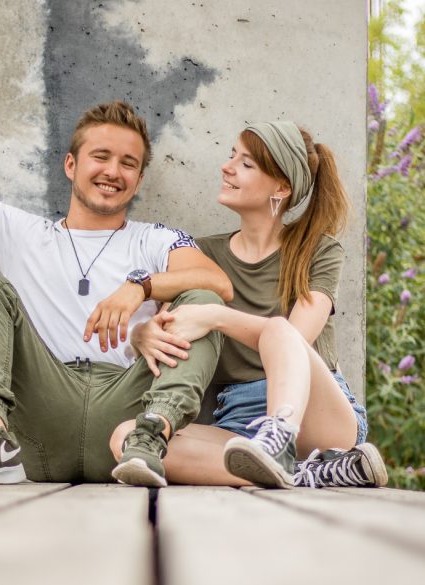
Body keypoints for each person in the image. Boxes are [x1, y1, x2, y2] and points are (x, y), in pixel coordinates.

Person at [0, 24, 232, 487]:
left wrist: (137, 287)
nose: (112, 172)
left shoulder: (155, 240)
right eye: (101, 156)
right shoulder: (20, 232)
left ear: (138, 180)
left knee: (202, 300)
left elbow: (217, 283)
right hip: (42, 415)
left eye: (128, 164)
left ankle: (154, 432)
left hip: (125, 421)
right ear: (71, 165)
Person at [110, 121, 388, 489]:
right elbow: (172, 327)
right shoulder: (203, 254)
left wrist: (215, 315)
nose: (227, 168)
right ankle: (308, 474)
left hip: (316, 415)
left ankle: (281, 442)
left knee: (279, 329)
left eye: (246, 164)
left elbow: (295, 338)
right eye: (231, 157)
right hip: (239, 423)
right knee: (127, 437)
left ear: (282, 187)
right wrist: (142, 335)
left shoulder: (318, 251)